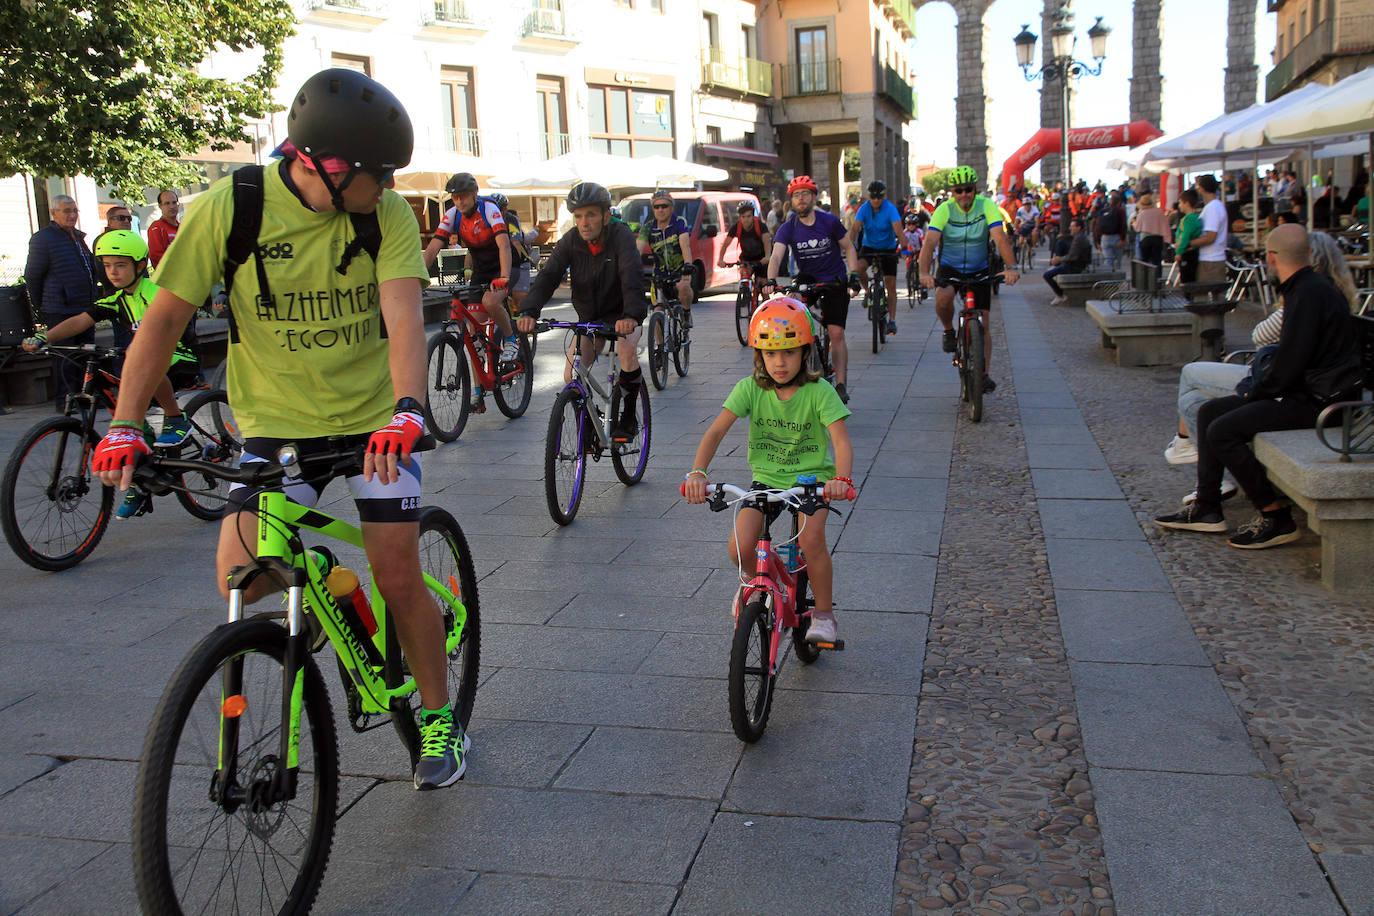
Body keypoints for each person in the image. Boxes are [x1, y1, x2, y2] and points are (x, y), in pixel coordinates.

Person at [90, 67, 467, 790]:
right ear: (327, 167)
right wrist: (124, 424)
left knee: (397, 570)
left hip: (373, 423)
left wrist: (410, 409)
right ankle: (326, 580)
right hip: (275, 422)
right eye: (377, 174)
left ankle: (441, 719)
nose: (387, 188)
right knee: (238, 574)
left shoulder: (379, 216)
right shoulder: (231, 208)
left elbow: (401, 317)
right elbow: (163, 317)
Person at [1154, 223, 1363, 548]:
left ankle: (1275, 516)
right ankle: (1208, 508)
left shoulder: (1308, 293)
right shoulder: (1309, 287)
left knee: (1223, 430)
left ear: (1271, 257)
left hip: (1319, 402)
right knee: (1210, 411)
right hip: (1309, 391)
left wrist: (1255, 393)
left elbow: (1292, 362)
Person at [683, 297, 853, 644]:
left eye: (789, 352)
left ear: (805, 352)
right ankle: (761, 580)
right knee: (740, 548)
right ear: (759, 356)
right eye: (771, 354)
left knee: (810, 539)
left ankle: (823, 615)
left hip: (812, 483)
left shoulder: (819, 392)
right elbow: (716, 431)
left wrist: (841, 480)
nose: (780, 362)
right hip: (766, 482)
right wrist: (698, 472)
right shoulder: (750, 389)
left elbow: (841, 441)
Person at [26, 230, 198, 517]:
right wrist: (46, 338)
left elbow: (169, 329)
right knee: (124, 407)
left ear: (140, 266)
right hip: (144, 361)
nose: (113, 272)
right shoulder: (116, 299)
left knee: (147, 362)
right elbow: (82, 319)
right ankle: (137, 484)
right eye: (107, 265)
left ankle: (175, 417)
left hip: (177, 357)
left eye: (120, 265)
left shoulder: (156, 293)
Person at [517, 182, 646, 440]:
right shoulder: (570, 241)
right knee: (570, 374)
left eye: (591, 215)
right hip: (590, 320)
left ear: (606, 216)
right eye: (578, 216)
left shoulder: (621, 237)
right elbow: (549, 275)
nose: (584, 222)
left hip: (623, 318)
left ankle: (629, 418)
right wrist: (529, 311)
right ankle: (589, 422)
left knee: (627, 352)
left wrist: (630, 315)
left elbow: (631, 275)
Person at [917, 166, 1020, 392]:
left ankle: (983, 374)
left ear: (975, 189)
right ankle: (948, 330)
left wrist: (1011, 267)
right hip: (950, 267)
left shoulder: (987, 206)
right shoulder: (944, 209)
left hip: (979, 268)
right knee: (943, 299)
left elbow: (999, 237)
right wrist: (924, 273)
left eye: (968, 189)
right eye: (959, 190)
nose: (964, 194)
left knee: (983, 323)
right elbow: (931, 242)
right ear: (952, 192)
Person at [763, 175, 861, 404]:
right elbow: (777, 255)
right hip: (807, 279)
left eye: (805, 193)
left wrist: (853, 275)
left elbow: (849, 247)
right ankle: (804, 358)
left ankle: (840, 384)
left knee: (836, 333)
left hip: (834, 279)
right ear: (792, 201)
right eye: (796, 195)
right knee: (792, 310)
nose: (801, 198)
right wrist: (770, 280)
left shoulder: (828, 222)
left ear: (813, 197)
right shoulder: (788, 228)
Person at [423, 172, 521, 365]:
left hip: (504, 265)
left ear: (475, 193)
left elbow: (504, 246)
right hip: (481, 270)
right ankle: (479, 389)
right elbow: (433, 248)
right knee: (472, 327)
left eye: (464, 196)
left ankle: (511, 339)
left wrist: (504, 276)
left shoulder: (489, 209)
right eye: (455, 197)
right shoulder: (452, 215)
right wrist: (419, 278)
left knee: (491, 301)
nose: (459, 201)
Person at [24, 194, 99, 409]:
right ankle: (65, 400)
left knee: (86, 354)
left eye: (74, 210)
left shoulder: (77, 237)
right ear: (54, 213)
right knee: (65, 357)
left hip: (84, 306)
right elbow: (33, 275)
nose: (72, 215)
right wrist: (40, 306)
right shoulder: (43, 239)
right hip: (59, 307)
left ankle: (85, 397)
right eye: (67, 211)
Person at [849, 179, 904, 335]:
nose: (876, 200)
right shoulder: (864, 209)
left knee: (890, 284)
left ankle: (892, 321)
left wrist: (904, 244)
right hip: (869, 246)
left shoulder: (890, 208)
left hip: (888, 248)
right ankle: (867, 291)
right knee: (859, 267)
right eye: (873, 197)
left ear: (883, 196)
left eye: (879, 197)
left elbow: (898, 229)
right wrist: (849, 245)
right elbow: (855, 228)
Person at [637, 190, 695, 324]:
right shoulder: (647, 227)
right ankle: (659, 345)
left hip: (680, 271)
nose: (660, 209)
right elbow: (637, 250)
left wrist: (687, 267)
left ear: (671, 208)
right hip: (659, 273)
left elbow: (685, 246)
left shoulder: (679, 222)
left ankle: (686, 313)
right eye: (656, 207)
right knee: (657, 312)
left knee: (684, 288)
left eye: (664, 206)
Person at [488, 192, 539, 316]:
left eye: (501, 209)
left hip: (518, 261)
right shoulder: (488, 219)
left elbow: (515, 241)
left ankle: (524, 322)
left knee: (519, 297)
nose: (498, 212)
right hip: (499, 262)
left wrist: (521, 260)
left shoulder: (511, 219)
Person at [718, 201, 771, 288]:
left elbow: (767, 241)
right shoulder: (736, 228)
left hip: (761, 258)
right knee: (744, 277)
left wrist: (768, 256)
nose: (746, 219)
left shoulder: (761, 226)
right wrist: (720, 259)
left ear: (753, 216)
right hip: (746, 258)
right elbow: (725, 244)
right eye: (743, 217)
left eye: (749, 216)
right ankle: (745, 294)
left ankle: (764, 298)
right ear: (740, 217)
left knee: (763, 285)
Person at [1042, 218, 1092, 305]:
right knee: (1052, 268)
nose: (1069, 228)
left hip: (1075, 267)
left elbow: (1072, 256)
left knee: (1047, 275)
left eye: (1072, 226)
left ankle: (1060, 295)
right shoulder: (1080, 236)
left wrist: (1059, 259)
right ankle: (1060, 294)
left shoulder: (1079, 239)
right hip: (1075, 264)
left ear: (1078, 228)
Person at [1173, 189, 1203, 284]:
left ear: (1187, 203)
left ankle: (1188, 298)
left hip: (1188, 253)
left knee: (1187, 281)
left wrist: (1179, 252)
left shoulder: (1189, 219)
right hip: (1190, 252)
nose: (1179, 205)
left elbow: (1185, 236)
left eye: (1180, 202)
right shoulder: (1193, 217)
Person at [1132, 193, 1170, 268]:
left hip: (1145, 239)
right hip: (1157, 238)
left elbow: (1137, 228)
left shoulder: (1141, 213)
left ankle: (1147, 278)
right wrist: (1167, 240)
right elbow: (1165, 226)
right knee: (1157, 261)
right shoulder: (1159, 212)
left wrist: (1133, 223)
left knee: (1145, 261)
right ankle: (1158, 277)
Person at [146, 190, 181, 269]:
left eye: (174, 202)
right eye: (167, 203)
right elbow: (156, 257)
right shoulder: (156, 228)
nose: (172, 206)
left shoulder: (182, 228)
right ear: (160, 206)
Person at [1094, 190, 1127, 272]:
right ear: (1119, 202)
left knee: (1108, 261)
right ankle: (1118, 280)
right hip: (1117, 237)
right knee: (1118, 262)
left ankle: (1108, 281)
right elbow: (1123, 226)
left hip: (1104, 238)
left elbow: (1097, 227)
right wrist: (1123, 239)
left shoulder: (1102, 211)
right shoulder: (1121, 211)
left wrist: (1097, 241)